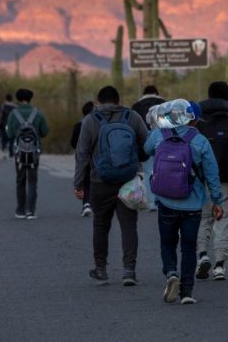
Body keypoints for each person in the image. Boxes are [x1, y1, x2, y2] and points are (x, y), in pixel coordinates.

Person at [145, 100, 224, 305]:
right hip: (192, 204)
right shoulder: (200, 141)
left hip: (165, 200)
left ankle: (171, 273)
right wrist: (217, 200)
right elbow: (212, 174)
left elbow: (146, 150)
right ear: (195, 120)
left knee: (167, 242)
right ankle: (187, 292)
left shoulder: (159, 134)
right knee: (189, 247)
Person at [74, 86, 148, 286]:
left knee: (101, 225)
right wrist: (138, 157)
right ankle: (129, 271)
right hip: (128, 180)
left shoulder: (89, 120)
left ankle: (100, 270)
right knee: (129, 225)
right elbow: (147, 144)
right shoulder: (132, 117)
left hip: (100, 181)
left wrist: (79, 183)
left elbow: (82, 154)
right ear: (118, 100)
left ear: (98, 101)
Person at [195, 81, 228, 281]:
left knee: (203, 219)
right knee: (224, 219)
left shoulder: (197, 121)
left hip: (201, 179)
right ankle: (220, 264)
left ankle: (202, 255)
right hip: (226, 180)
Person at [5, 89, 49, 220]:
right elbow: (45, 132)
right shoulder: (38, 113)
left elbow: (10, 134)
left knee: (20, 180)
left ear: (18, 99)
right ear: (30, 98)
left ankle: (20, 210)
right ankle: (31, 211)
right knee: (32, 180)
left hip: (19, 152)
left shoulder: (13, 114)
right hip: (34, 152)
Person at [132, 85, 166, 212]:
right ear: (157, 92)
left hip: (143, 145)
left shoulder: (136, 106)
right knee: (163, 171)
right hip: (164, 143)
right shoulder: (165, 104)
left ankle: (151, 203)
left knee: (147, 172)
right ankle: (163, 200)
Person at [70, 101, 95, 217]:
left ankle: (86, 204)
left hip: (83, 157)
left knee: (85, 180)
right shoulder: (99, 124)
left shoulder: (78, 125)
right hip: (97, 157)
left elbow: (73, 143)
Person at [0, 94, 17, 158]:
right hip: (12, 125)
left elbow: (0, 115)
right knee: (11, 139)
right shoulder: (15, 107)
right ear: (11, 99)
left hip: (5, 124)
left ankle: (4, 150)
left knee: (4, 138)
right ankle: (11, 152)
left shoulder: (3, 106)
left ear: (6, 98)